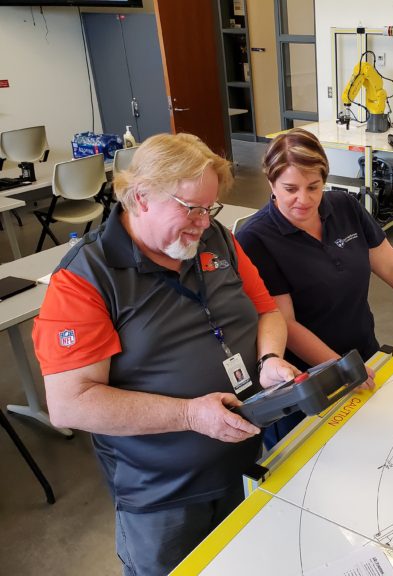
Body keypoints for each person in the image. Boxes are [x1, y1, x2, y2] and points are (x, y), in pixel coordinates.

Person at [32, 133, 299, 576]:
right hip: (164, 497)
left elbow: (266, 310)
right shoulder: (86, 279)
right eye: (190, 208)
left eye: (208, 209)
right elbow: (68, 404)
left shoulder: (216, 239)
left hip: (243, 461)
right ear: (141, 197)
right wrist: (192, 416)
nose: (202, 223)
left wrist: (269, 359)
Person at [236, 128, 393, 446]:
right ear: (270, 182)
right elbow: (285, 323)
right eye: (290, 188)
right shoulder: (256, 238)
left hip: (362, 353)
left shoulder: (345, 207)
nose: (303, 200)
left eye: (313, 187)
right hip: (306, 381)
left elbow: (392, 266)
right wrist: (342, 370)